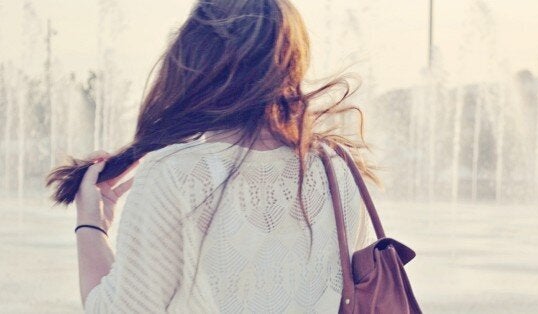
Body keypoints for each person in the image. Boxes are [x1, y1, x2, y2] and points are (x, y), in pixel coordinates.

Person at [46, 0, 378, 312]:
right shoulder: (339, 168)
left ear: (193, 62)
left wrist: (92, 225)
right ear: (294, 59)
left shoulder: (177, 173)